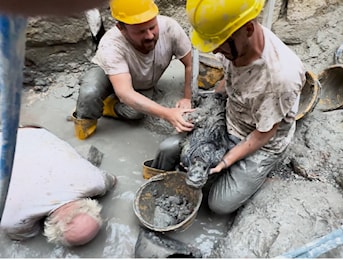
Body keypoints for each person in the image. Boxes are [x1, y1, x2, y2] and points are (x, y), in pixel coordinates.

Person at [151, 0, 306, 215]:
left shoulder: (279, 79)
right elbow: (228, 80)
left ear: (248, 29)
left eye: (218, 42)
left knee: (219, 205)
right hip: (231, 114)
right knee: (169, 149)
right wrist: (208, 111)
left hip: (262, 139)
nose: (215, 50)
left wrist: (225, 161)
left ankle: (255, 171)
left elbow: (264, 134)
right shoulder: (237, 46)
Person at [73, 0, 194, 140]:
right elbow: (125, 93)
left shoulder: (169, 28)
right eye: (140, 31)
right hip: (106, 73)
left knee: (136, 112)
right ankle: (85, 120)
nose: (149, 35)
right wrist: (167, 113)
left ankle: (108, 106)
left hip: (140, 81)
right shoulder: (111, 45)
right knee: (90, 93)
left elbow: (190, 64)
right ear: (121, 28)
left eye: (152, 27)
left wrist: (187, 97)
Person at [0, 126, 117, 246]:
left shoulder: (96, 182)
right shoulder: (12, 220)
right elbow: (21, 237)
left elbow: (112, 180)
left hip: (31, 130)